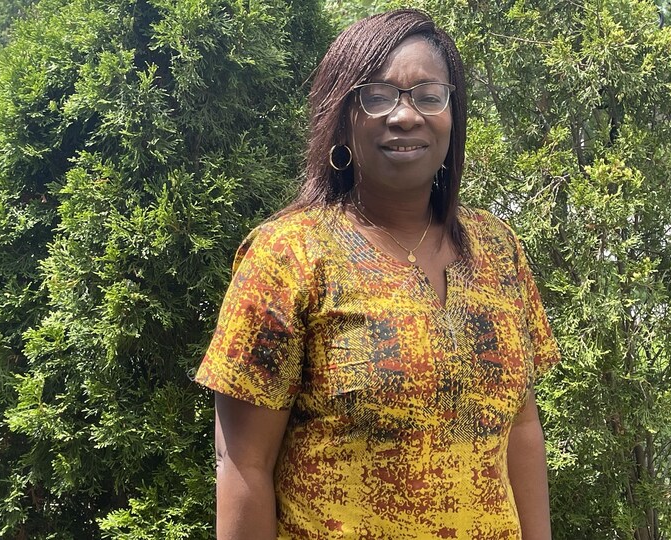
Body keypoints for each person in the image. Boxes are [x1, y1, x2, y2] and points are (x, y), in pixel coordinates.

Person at [195, 9, 561, 539]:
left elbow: (522, 429)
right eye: (378, 95)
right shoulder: (288, 255)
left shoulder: (497, 250)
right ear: (342, 116)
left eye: (428, 95)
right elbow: (243, 466)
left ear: (452, 115)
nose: (405, 115)